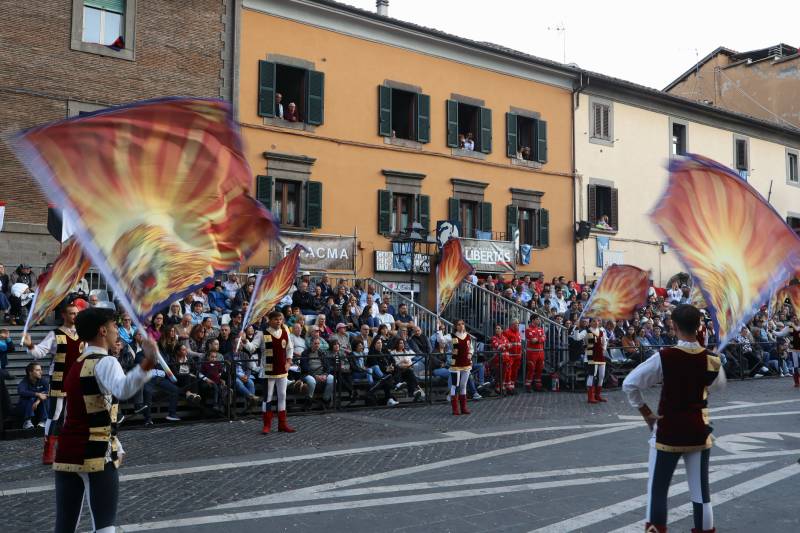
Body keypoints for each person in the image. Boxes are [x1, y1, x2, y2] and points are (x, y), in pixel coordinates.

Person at [53, 306, 157, 533]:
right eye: (113, 326)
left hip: (67, 450)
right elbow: (123, 388)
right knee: (104, 527)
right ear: (102, 330)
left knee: (64, 526)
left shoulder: (77, 364)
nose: (116, 331)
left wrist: (115, 441)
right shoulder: (106, 362)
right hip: (96, 452)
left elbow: (78, 412)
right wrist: (148, 362)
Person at [622, 304, 724, 533]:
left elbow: (629, 383)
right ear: (699, 326)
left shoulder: (665, 357)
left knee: (658, 490)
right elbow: (718, 385)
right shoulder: (712, 360)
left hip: (669, 431)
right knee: (701, 493)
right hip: (699, 430)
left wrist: (647, 413)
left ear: (674, 326)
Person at [23, 303, 82, 464]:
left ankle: (70, 449)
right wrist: (30, 344)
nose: (75, 316)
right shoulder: (55, 334)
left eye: (77, 313)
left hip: (78, 380)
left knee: (74, 415)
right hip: (59, 379)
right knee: (55, 415)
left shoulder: (83, 334)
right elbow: (40, 352)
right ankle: (48, 450)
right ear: (64, 315)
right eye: (72, 313)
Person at [260, 311, 295, 433]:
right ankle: (267, 424)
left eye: (280, 319)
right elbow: (252, 347)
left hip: (282, 369)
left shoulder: (285, 331)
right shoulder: (262, 333)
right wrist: (244, 341)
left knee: (282, 396)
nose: (278, 321)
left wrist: (289, 361)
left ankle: (282, 424)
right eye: (276, 319)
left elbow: (290, 348)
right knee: (268, 397)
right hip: (268, 371)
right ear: (269, 320)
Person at [573, 317, 608, 403]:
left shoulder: (601, 331)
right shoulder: (586, 331)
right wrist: (576, 328)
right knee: (592, 375)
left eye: (597, 321)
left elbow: (605, 341)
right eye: (594, 321)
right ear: (590, 323)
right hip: (590, 355)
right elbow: (576, 338)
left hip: (600, 355)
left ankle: (598, 395)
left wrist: (604, 348)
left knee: (602, 375)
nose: (596, 323)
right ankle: (590, 396)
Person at [443, 319, 472, 415]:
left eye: (462, 324)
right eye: (459, 324)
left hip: (466, 364)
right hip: (456, 365)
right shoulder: (451, 336)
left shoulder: (468, 336)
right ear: (455, 326)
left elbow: (471, 347)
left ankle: (464, 407)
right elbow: (441, 340)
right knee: (455, 385)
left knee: (463, 385)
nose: (461, 326)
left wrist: (470, 354)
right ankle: (455, 408)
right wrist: (439, 330)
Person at [16, 362, 49, 429]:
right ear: (30, 372)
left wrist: (38, 400)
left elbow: (47, 392)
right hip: (27, 407)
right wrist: (37, 394)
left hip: (39, 406)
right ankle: (27, 421)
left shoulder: (43, 380)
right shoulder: (24, 381)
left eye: (40, 370)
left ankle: (43, 421)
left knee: (45, 398)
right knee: (29, 398)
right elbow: (21, 391)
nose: (41, 372)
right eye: (37, 370)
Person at [524, 316, 547, 392]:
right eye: (537, 319)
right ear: (533, 320)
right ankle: (528, 385)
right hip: (532, 353)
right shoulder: (528, 330)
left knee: (540, 369)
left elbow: (544, 338)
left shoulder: (540, 329)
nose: (539, 320)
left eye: (539, 319)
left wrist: (538, 339)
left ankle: (538, 386)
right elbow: (533, 340)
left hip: (540, 352)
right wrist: (540, 339)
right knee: (531, 369)